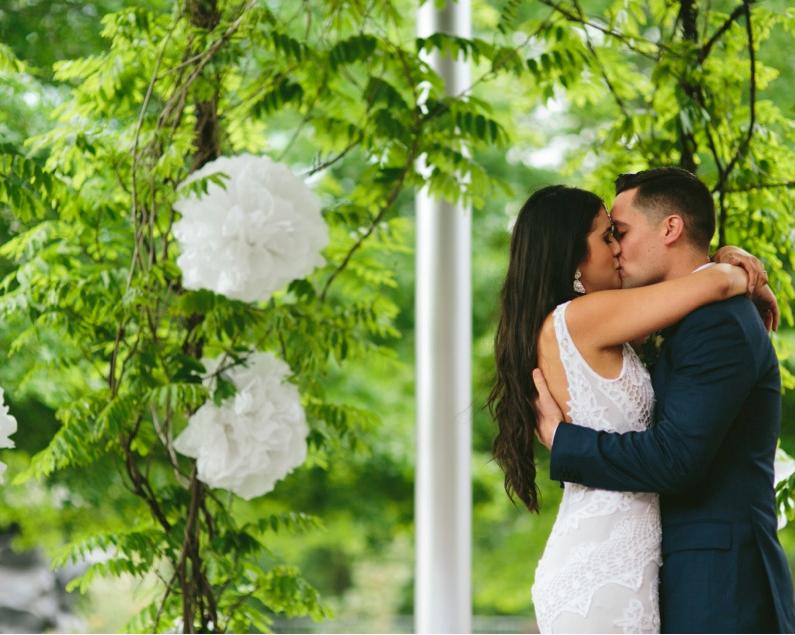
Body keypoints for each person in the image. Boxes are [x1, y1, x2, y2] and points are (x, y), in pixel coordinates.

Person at [486, 175, 778, 633]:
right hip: (608, 564)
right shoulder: (585, 317)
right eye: (608, 236)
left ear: (670, 228)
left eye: (619, 232)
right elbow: (709, 286)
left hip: (680, 568)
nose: (617, 248)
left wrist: (726, 261)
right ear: (573, 255)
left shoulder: (643, 324)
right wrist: (730, 271)